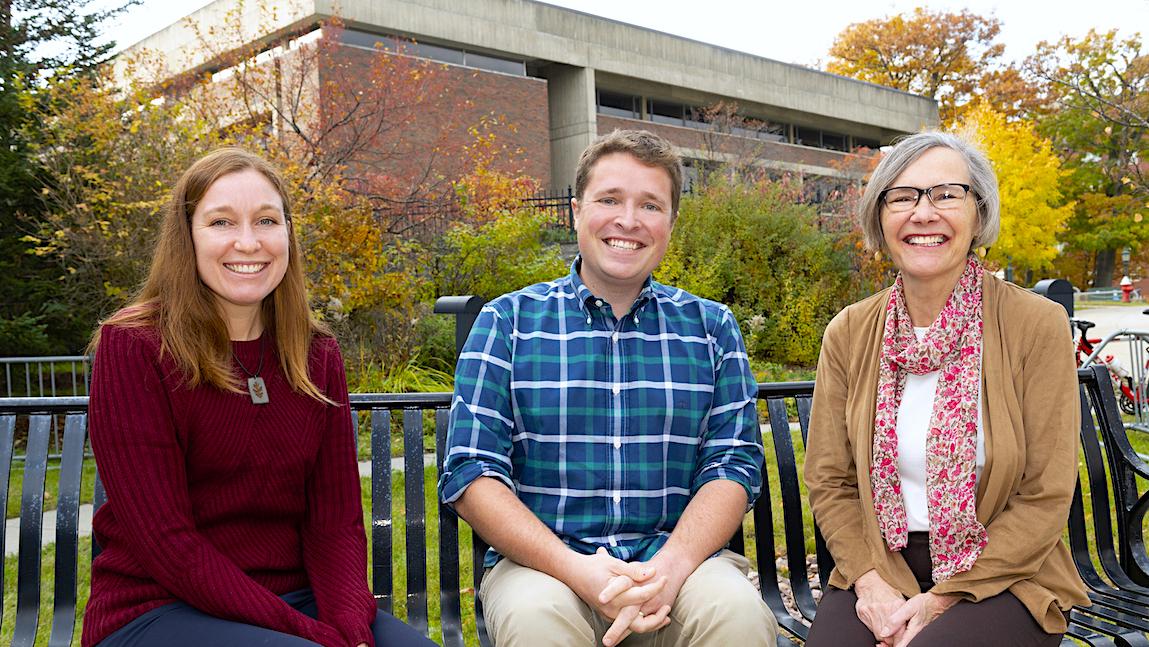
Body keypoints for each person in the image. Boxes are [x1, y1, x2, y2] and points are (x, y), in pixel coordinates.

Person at [82, 148, 437, 647]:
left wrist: (352, 631)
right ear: (188, 238)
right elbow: (167, 543)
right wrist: (312, 636)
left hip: (298, 599)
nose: (247, 242)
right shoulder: (136, 347)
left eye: (266, 220)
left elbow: (334, 525)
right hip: (158, 607)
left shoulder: (316, 355)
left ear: (288, 233)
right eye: (221, 222)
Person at [438, 129, 778, 647]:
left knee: (738, 616)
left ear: (671, 223)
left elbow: (734, 463)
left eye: (650, 205)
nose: (628, 221)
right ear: (576, 211)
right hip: (545, 569)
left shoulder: (711, 328)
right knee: (535, 627)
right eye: (609, 199)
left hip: (678, 564)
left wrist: (670, 568)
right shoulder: (507, 322)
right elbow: (471, 472)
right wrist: (577, 571)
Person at [803, 131, 1089, 647]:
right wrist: (869, 583)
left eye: (945, 194)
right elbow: (830, 480)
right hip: (881, 562)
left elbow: (1045, 493)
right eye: (903, 196)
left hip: (1006, 570)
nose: (923, 213)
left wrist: (940, 601)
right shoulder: (848, 332)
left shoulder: (1036, 324)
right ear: (880, 218)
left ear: (978, 214)